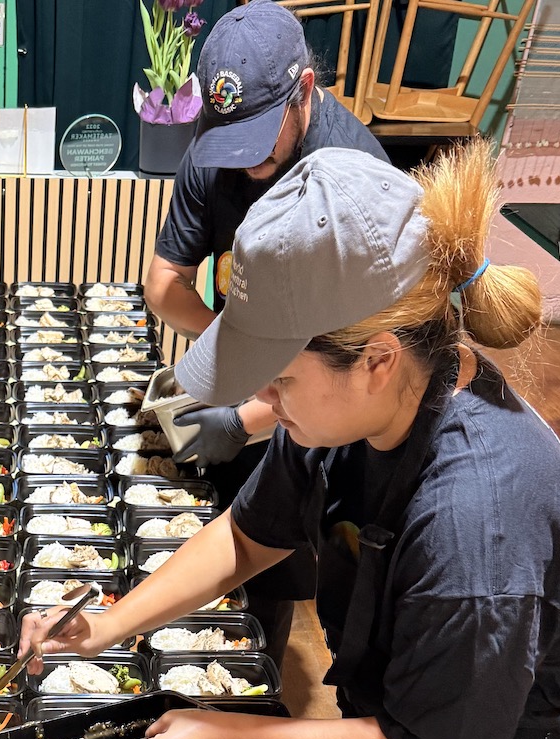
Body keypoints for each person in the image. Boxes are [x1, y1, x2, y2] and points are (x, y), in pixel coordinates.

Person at [22, 143, 560, 739]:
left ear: (377, 361)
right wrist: (106, 625)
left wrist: (229, 735)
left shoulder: (476, 521)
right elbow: (248, 536)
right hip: (397, 737)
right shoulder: (348, 413)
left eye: (281, 376)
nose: (263, 398)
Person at [143, 0, 391, 670]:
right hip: (273, 381)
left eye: (257, 136)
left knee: (279, 562)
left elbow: (347, 374)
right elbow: (163, 285)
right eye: (227, 137)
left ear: (303, 90)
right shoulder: (215, 150)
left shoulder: (350, 179)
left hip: (330, 411)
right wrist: (236, 346)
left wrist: (248, 414)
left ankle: (260, 686)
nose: (242, 159)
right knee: (224, 535)